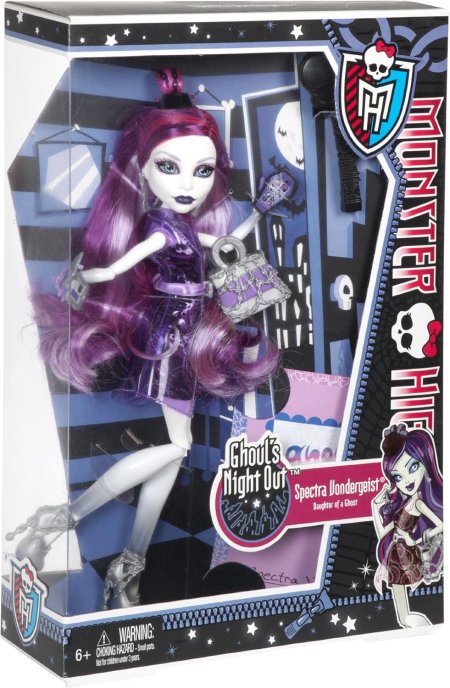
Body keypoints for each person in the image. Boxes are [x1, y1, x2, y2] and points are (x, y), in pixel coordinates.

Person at [7, 69, 292, 609]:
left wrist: (258, 210)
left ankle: (128, 564)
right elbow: (120, 264)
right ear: (142, 168)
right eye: (169, 166)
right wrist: (85, 277)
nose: (188, 183)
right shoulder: (160, 226)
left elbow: (225, 246)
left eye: (203, 170)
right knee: (177, 446)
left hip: (186, 333)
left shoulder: (184, 225)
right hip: (169, 335)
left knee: (177, 453)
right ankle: (64, 519)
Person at [372, 423, 443, 628]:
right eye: (398, 476)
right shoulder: (401, 504)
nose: (407, 480)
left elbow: (441, 525)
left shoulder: (418, 503)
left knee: (408, 614)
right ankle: (421, 628)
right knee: (402, 617)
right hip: (394, 554)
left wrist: (413, 539)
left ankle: (427, 628)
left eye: (413, 467)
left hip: (406, 554)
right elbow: (383, 534)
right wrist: (374, 507)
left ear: (425, 462)